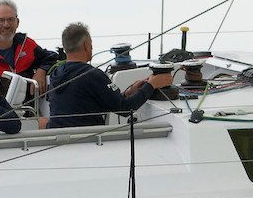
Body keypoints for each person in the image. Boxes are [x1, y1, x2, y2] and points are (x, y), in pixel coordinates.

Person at [43, 23, 173, 130]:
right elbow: (125, 109)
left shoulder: (56, 73)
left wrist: (129, 92)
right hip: (85, 141)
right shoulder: (92, 75)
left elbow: (87, 101)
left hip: (59, 137)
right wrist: (151, 85)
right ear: (86, 46)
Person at [0, 0, 54, 97]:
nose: (6, 25)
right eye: (0, 20)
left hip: (29, 109)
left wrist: (41, 71)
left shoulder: (27, 45)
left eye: (10, 19)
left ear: (17, 22)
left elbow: (51, 57)